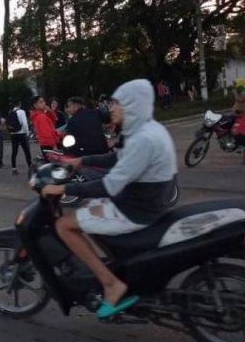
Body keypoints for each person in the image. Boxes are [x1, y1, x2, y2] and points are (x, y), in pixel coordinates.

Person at [40, 79, 178, 318]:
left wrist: (64, 189)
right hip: (147, 201)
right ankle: (120, 268)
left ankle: (112, 284)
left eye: (116, 103)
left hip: (136, 208)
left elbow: (109, 185)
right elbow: (117, 159)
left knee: (64, 225)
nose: (110, 108)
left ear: (132, 105)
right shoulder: (147, 129)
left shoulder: (143, 139)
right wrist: (82, 161)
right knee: (91, 211)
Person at [8, 100, 32, 175]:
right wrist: (27, 133)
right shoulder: (21, 112)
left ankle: (14, 168)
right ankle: (30, 167)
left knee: (14, 151)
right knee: (26, 151)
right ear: (19, 104)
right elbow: (24, 123)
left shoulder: (10, 112)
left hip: (13, 134)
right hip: (21, 133)